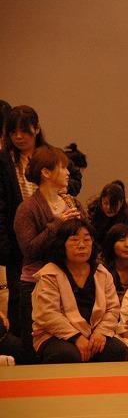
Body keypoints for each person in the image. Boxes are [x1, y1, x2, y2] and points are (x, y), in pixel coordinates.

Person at [0, 106, 81, 337]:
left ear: (36, 129)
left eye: (24, 131)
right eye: (13, 132)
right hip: (20, 232)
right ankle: (24, 344)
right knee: (20, 297)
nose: (18, 137)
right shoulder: (4, 160)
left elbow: (75, 177)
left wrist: (60, 189)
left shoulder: (51, 155)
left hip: (54, 232)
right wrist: (4, 247)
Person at [13, 145, 85, 361]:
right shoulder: (27, 208)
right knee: (34, 353)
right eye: (63, 167)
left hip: (71, 283)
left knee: (75, 345)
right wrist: (57, 224)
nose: (68, 172)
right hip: (35, 285)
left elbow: (90, 239)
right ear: (46, 172)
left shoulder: (72, 202)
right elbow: (29, 249)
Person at [31, 219, 128, 363]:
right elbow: (47, 314)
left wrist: (101, 332)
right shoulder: (50, 274)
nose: (82, 245)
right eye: (74, 240)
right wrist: (76, 337)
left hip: (94, 333)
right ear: (62, 244)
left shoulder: (101, 272)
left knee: (118, 351)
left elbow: (112, 308)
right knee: (68, 355)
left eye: (87, 240)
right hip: (55, 335)